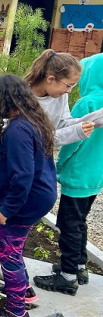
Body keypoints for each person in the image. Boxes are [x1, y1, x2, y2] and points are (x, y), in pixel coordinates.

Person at [0, 50, 103, 284]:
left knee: (14, 216)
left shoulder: (59, 96)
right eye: (67, 85)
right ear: (50, 79)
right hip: (3, 161)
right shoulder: (18, 97)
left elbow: (63, 123)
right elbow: (37, 137)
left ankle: (6, 263)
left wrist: (91, 120)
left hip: (30, 162)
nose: (68, 91)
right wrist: (76, 132)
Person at [0, 75, 57, 317]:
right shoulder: (31, 120)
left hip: (27, 198)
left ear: (5, 100)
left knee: (4, 239)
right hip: (39, 193)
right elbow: (22, 165)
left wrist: (7, 209)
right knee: (12, 241)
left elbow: (24, 175)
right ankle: (23, 289)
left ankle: (16, 313)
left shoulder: (17, 130)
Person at [29, 51, 103, 294]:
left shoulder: (88, 101)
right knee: (79, 222)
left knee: (69, 224)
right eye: (69, 84)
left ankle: (68, 277)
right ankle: (79, 266)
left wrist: (61, 166)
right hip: (95, 176)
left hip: (78, 174)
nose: (71, 89)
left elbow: (72, 143)